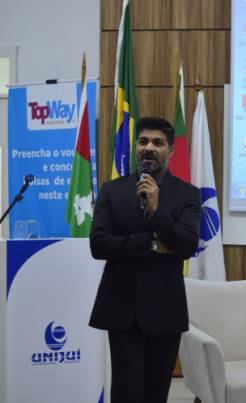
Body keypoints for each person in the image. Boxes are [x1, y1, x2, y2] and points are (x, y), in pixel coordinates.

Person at [89, 117, 201, 403]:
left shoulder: (188, 194)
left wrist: (156, 208)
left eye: (158, 143)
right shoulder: (112, 190)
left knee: (156, 392)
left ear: (171, 151)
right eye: (143, 141)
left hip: (165, 309)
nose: (149, 147)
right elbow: (99, 244)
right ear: (135, 147)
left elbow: (186, 245)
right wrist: (151, 243)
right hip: (121, 308)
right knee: (126, 391)